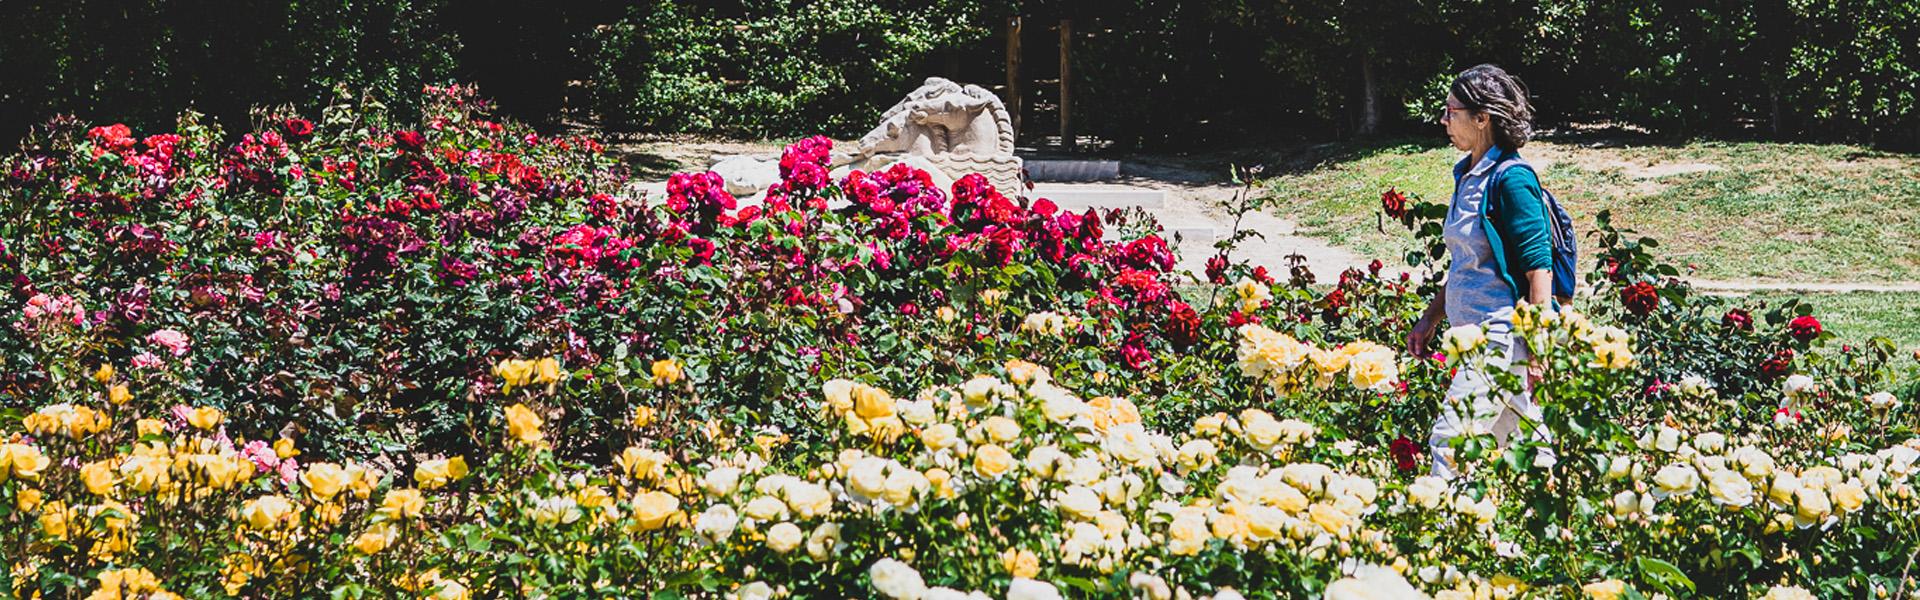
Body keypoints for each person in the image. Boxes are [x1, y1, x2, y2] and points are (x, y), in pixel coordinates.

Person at [1404, 64, 1556, 478]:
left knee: (1451, 440)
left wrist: (1538, 350)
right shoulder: (1467, 175)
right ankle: (1554, 535)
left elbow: (1538, 269)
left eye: (1450, 111)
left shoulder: (1511, 179)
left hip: (1502, 337)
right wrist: (1430, 318)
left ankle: (1443, 530)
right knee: (1528, 448)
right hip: (1473, 337)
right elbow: (1467, 263)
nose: (1443, 120)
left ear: (1481, 118)